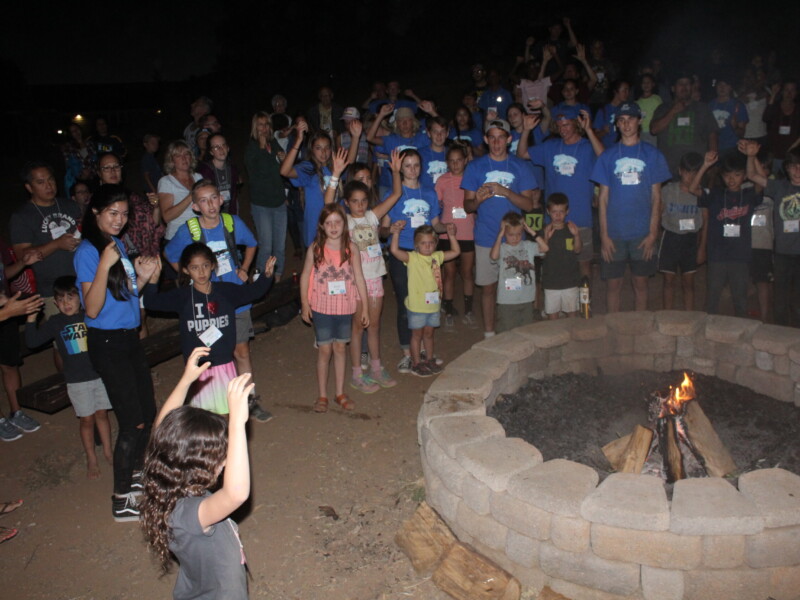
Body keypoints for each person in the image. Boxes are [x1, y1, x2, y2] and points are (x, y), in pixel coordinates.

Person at [74, 184, 159, 521]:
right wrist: (103, 264)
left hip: (128, 337)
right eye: (113, 213)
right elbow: (92, 309)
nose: (119, 220)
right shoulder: (88, 252)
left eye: (124, 214)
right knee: (131, 420)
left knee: (148, 412)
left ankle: (136, 475)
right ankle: (120, 497)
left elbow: (125, 293)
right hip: (106, 343)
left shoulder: (119, 244)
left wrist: (143, 276)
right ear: (95, 213)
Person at [140, 348, 253, 599]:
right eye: (220, 457)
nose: (225, 462)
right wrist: (236, 422)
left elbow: (162, 430)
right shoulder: (188, 513)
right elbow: (235, 494)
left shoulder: (164, 479)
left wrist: (187, 380)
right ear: (196, 464)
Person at [164, 180, 272, 421]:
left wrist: (244, 268)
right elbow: (170, 254)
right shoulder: (189, 230)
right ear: (195, 206)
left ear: (221, 198)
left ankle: (248, 400)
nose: (210, 204)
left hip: (234, 296)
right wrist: (188, 277)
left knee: (241, 350)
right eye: (203, 200)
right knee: (212, 355)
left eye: (213, 198)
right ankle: (211, 406)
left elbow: (252, 243)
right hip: (206, 302)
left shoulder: (232, 222)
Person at [144, 244, 275, 415]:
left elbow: (253, 292)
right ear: (185, 270)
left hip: (224, 363)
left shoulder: (224, 291)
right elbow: (152, 302)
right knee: (204, 418)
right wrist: (153, 281)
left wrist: (266, 276)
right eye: (194, 267)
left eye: (205, 265)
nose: (201, 272)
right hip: (198, 369)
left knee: (228, 413)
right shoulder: (183, 297)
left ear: (213, 265)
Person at [324, 149, 400, 391]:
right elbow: (328, 203)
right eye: (354, 201)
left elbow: (396, 193)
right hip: (356, 282)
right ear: (347, 203)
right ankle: (357, 374)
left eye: (363, 201)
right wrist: (336, 174)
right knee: (358, 327)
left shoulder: (372, 216)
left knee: (374, 326)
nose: (359, 205)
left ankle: (376, 368)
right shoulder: (344, 221)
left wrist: (395, 172)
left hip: (376, 278)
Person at [25, 276, 112, 478]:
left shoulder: (90, 316)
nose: (66, 303)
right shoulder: (56, 322)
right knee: (87, 420)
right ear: (55, 303)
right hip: (76, 380)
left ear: (80, 298)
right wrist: (30, 318)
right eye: (61, 299)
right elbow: (33, 341)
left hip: (98, 375)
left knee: (102, 414)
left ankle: (108, 451)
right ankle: (91, 457)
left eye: (70, 297)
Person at [591, 102, 672, 312]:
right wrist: (604, 236)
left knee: (641, 284)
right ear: (617, 124)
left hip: (642, 232)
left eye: (631, 119)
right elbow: (603, 199)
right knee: (613, 285)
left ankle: (640, 329)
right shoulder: (608, 157)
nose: (626, 124)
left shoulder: (652, 154)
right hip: (614, 233)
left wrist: (653, 233)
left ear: (639, 121)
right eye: (622, 120)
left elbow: (657, 197)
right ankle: (614, 330)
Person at [462, 119, 539, 337]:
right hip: (486, 237)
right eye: (492, 137)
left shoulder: (520, 166)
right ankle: (489, 333)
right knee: (488, 288)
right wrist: (477, 200)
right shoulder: (475, 167)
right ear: (486, 140)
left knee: (516, 285)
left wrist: (505, 191)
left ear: (509, 139)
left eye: (501, 137)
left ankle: (514, 330)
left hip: (515, 238)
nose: (497, 142)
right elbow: (467, 206)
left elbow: (529, 204)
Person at [299, 205, 369, 413]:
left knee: (340, 348)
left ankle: (339, 392)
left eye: (337, 222)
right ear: (322, 225)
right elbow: (305, 275)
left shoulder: (351, 248)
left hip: (344, 308)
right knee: (325, 350)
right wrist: (304, 303)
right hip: (321, 308)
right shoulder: (315, 248)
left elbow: (359, 277)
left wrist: (364, 307)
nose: (333, 226)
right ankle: (322, 394)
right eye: (328, 222)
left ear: (344, 224)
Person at [380, 149, 446, 372]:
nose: (412, 169)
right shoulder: (394, 194)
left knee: (428, 298)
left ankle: (425, 351)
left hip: (426, 256)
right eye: (407, 165)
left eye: (416, 165)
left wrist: (449, 228)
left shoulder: (429, 192)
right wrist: (392, 229)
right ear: (400, 168)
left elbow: (436, 224)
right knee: (405, 302)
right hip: (404, 253)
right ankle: (408, 352)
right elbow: (381, 229)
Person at [521, 106, 603, 279]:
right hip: (554, 220)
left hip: (580, 218)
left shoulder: (587, 147)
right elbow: (522, 154)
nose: (562, 129)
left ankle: (584, 304)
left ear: (575, 124)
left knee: (583, 265)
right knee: (554, 263)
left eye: (566, 125)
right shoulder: (550, 147)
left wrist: (589, 130)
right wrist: (526, 131)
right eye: (559, 125)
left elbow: (604, 158)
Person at [11, 162, 82, 318]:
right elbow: (23, 256)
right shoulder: (22, 217)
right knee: (68, 339)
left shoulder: (70, 205)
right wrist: (57, 244)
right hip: (54, 292)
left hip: (83, 283)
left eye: (51, 180)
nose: (48, 186)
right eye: (41, 182)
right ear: (29, 187)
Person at [389, 222, 460, 376]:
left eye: (431, 243)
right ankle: (416, 363)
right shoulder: (412, 258)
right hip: (416, 307)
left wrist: (452, 236)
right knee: (416, 335)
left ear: (435, 243)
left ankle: (428, 360)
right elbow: (394, 250)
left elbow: (455, 252)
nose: (427, 246)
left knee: (429, 334)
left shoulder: (437, 256)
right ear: (416, 245)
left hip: (432, 306)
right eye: (423, 243)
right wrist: (396, 233)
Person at [743, 141, 800, 326]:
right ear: (787, 168)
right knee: (781, 298)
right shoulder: (780, 187)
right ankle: (781, 336)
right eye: (793, 167)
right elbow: (752, 175)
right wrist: (751, 156)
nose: (797, 171)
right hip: (782, 253)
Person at [699, 151, 760, 317]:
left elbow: (761, 180)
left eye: (737, 175)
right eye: (727, 175)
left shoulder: (748, 195)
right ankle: (708, 332)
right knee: (712, 297)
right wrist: (705, 165)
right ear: (722, 176)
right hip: (717, 255)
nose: (731, 179)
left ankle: (741, 335)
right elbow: (693, 188)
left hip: (740, 256)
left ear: (745, 176)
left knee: (740, 299)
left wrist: (752, 157)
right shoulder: (716, 195)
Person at [0, 244, 44, 443]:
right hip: (5, 311)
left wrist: (22, 263)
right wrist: (8, 312)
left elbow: (3, 273)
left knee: (9, 364)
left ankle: (16, 412)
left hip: (5, 310)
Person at [657, 152, 707, 311]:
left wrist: (702, 247)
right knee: (668, 281)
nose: (690, 177)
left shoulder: (702, 194)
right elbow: (658, 213)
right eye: (687, 172)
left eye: (695, 173)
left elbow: (706, 221)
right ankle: (667, 315)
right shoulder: (668, 190)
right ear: (680, 171)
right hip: (670, 237)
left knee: (689, 283)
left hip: (691, 239)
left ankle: (689, 317)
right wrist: (656, 237)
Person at [435, 144, 477, 328]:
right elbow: (435, 204)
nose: (455, 164)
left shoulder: (472, 178)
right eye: (451, 161)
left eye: (459, 160)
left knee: (467, 272)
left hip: (467, 231)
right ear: (447, 163)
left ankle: (468, 310)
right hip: (447, 234)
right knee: (449, 273)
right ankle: (449, 310)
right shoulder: (442, 181)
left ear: (466, 160)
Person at [245, 112, 289, 278]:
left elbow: (282, 171)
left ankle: (277, 277)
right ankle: (260, 281)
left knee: (280, 246)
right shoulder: (252, 148)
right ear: (255, 127)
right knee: (266, 246)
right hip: (261, 204)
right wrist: (264, 150)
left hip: (278, 202)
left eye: (267, 124)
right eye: (261, 124)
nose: (264, 128)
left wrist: (284, 158)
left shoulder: (274, 142)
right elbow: (258, 173)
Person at [280, 120, 335, 249]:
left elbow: (350, 161)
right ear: (312, 149)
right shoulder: (308, 168)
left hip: (334, 224)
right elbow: (284, 171)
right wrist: (298, 141)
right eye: (318, 148)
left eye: (327, 147)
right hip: (315, 226)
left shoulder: (334, 166)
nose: (323, 152)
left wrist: (355, 137)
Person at [650, 74, 718, 177]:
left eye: (688, 84)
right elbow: (654, 130)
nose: (684, 87)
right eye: (681, 84)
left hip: (695, 169)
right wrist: (673, 111)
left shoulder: (702, 108)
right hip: (668, 169)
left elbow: (712, 135)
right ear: (673, 88)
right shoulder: (663, 108)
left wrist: (712, 163)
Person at [490, 212, 548, 332]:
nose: (515, 238)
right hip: (507, 301)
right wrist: (500, 237)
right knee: (506, 332)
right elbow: (494, 256)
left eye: (518, 234)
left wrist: (531, 232)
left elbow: (545, 248)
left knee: (525, 332)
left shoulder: (528, 246)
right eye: (511, 234)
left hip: (526, 299)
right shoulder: (502, 248)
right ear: (504, 232)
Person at [542, 194, 581, 319]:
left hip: (570, 280)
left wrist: (576, 236)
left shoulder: (571, 229)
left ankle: (572, 338)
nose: (558, 215)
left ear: (567, 212)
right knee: (553, 317)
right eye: (554, 212)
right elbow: (541, 254)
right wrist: (546, 238)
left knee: (572, 315)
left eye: (561, 212)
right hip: (551, 281)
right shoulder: (544, 230)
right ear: (548, 212)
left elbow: (577, 250)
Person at [158, 140, 203, 242]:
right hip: (177, 237)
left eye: (186, 154)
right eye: (178, 155)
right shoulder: (166, 181)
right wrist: (190, 196)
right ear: (172, 160)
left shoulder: (198, 177)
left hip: (200, 234)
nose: (184, 158)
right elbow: (166, 217)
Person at [198, 133, 242, 216]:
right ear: (211, 152)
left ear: (228, 148)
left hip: (229, 213)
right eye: (216, 147)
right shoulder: (204, 171)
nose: (221, 149)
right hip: (212, 215)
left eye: (223, 145)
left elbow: (234, 196)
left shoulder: (232, 169)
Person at [709, 75, 749, 153]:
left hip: (732, 147)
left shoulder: (738, 105)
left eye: (725, 85)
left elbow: (742, 133)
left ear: (730, 88)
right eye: (720, 85)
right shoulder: (710, 105)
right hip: (713, 147)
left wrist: (735, 126)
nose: (722, 87)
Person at [62, 123, 97, 194]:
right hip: (78, 180)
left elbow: (95, 160)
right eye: (73, 131)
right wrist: (81, 175)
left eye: (77, 129)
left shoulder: (90, 143)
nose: (76, 132)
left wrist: (92, 171)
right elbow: (68, 165)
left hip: (93, 178)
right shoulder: (67, 147)